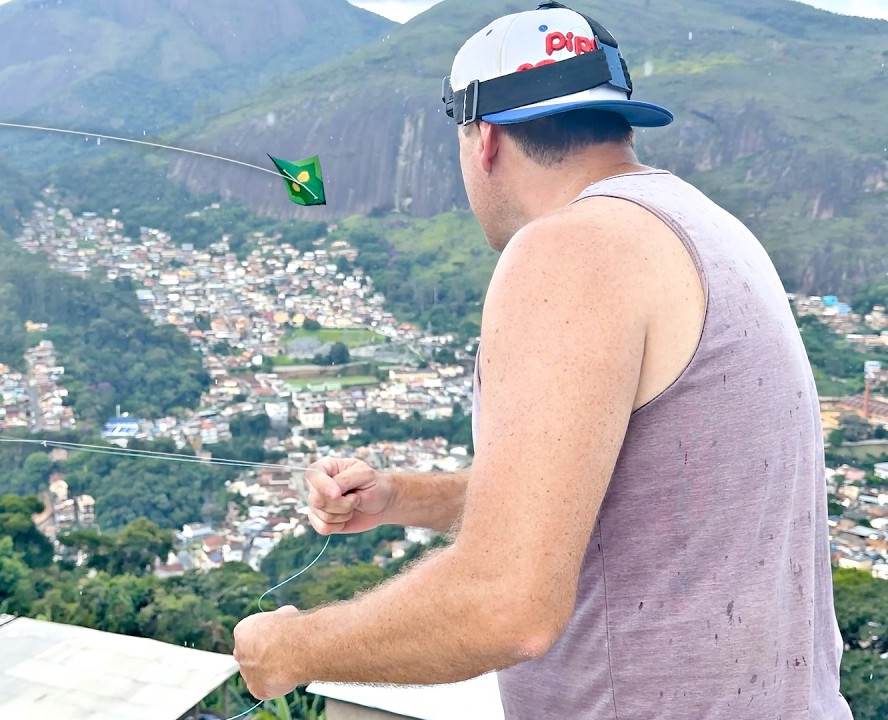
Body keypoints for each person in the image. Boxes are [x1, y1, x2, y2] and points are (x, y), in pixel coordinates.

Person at [232, 2, 852, 718]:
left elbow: (507, 604)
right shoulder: (707, 228)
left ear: (484, 141)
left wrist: (291, 648)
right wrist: (398, 498)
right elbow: (592, 497)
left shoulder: (570, 249)